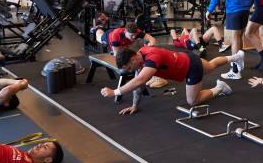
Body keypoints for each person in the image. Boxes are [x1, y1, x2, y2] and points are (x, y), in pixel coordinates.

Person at [100, 46, 245, 114]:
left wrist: (115, 92)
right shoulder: (141, 55)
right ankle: (236, 57)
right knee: (212, 65)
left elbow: (139, 81)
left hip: (190, 68)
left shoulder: (151, 58)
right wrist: (134, 106)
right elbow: (139, 84)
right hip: (187, 57)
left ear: (132, 59)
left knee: (192, 101)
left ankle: (219, 87)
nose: (131, 71)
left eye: (129, 68)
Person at [206, 0, 261, 80]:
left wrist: (209, 9)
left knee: (235, 39)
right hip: (245, 11)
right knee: (240, 36)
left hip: (233, 12)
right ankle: (239, 64)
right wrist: (254, 6)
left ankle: (235, 71)